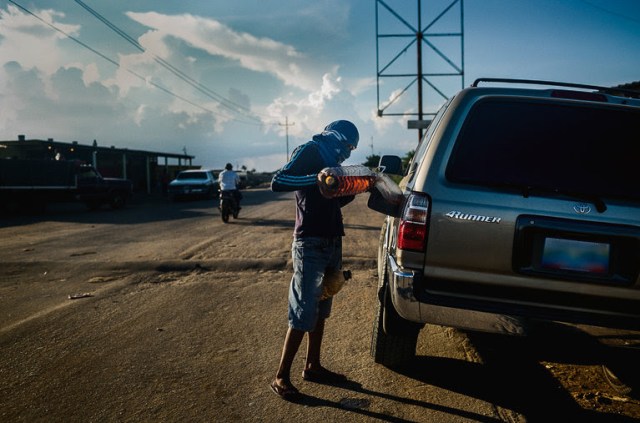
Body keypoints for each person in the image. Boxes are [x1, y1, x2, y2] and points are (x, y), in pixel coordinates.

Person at [269, 119, 359, 401]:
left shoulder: (334, 163)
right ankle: (281, 376)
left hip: (332, 240)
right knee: (304, 308)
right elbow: (278, 180)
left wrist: (350, 187)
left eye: (352, 149)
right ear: (335, 137)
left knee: (322, 305)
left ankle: (313, 365)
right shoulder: (310, 150)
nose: (348, 153)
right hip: (309, 241)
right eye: (347, 146)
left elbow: (331, 199)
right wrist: (318, 178)